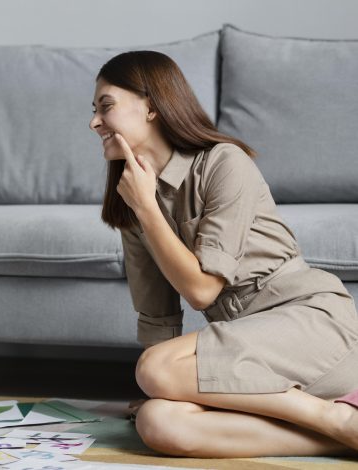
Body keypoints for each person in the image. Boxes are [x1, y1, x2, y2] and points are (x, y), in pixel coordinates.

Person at [90, 51, 358, 457]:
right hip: (241, 354)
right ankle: (339, 434)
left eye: (105, 107)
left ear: (151, 107)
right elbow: (157, 313)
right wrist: (173, 387)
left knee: (155, 370)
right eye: (93, 111)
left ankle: (336, 419)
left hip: (309, 330)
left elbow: (201, 292)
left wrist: (148, 208)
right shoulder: (133, 199)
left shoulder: (224, 162)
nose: (94, 122)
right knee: (157, 422)